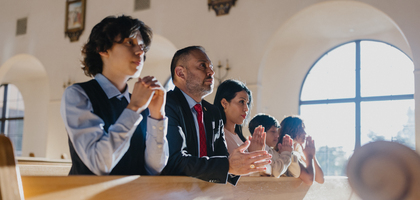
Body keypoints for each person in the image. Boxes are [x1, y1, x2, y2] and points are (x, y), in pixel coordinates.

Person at [61, 15, 168, 176]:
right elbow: (99, 163)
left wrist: (157, 116)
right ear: (103, 49)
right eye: (129, 43)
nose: (140, 51)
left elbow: (155, 169)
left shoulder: (141, 104)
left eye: (142, 47)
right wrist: (134, 108)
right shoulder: (78, 95)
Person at [162, 46, 271, 185]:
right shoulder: (166, 104)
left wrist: (245, 160)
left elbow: (222, 160)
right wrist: (228, 165)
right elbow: (174, 161)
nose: (211, 72)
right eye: (202, 65)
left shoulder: (213, 112)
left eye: (211, 66)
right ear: (181, 73)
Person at [213, 79, 265, 155]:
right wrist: (254, 154)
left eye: (247, 103)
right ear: (224, 103)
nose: (246, 109)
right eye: (241, 102)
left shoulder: (241, 138)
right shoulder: (217, 137)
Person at [277, 116, 324, 185]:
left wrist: (313, 156)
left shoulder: (300, 155)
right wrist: (309, 156)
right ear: (291, 131)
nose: (305, 133)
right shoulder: (286, 154)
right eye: (301, 129)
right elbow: (309, 180)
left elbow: (320, 180)